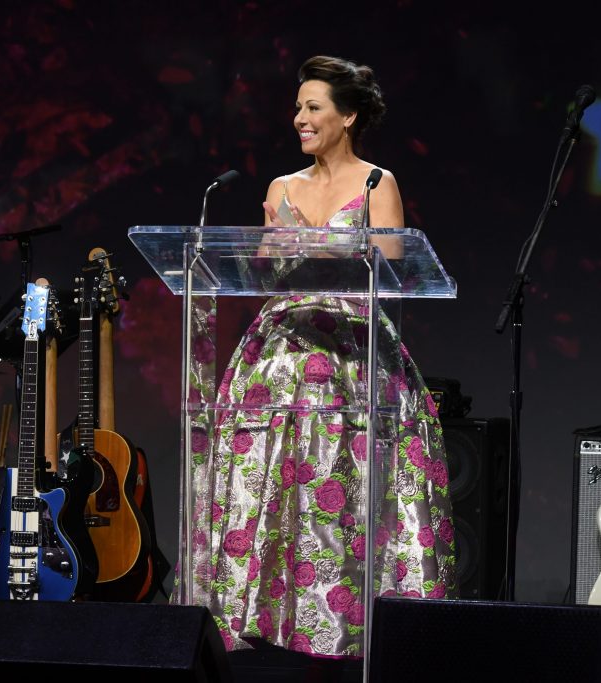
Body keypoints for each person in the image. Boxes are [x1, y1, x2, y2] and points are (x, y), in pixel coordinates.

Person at [182, 55, 455, 659]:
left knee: (346, 483)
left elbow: (389, 267)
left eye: (313, 107)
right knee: (272, 480)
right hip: (281, 346)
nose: (299, 118)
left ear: (348, 115)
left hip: (353, 348)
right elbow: (266, 269)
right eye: (298, 107)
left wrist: (317, 245)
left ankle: (359, 627)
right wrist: (276, 249)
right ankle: (264, 622)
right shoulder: (281, 188)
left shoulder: (377, 184)